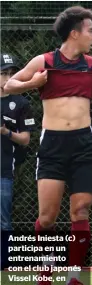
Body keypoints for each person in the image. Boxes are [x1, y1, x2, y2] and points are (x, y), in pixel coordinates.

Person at [4, 6, 92, 285]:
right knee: (47, 217)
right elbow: (12, 83)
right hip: (53, 145)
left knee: (80, 210)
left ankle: (74, 278)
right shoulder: (44, 61)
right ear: (74, 33)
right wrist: (33, 82)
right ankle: (46, 271)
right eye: (90, 30)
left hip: (83, 144)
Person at [1, 53, 35, 270]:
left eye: (13, 73)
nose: (8, 77)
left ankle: (4, 265)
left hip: (4, 170)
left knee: (3, 220)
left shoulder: (21, 103)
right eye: (4, 73)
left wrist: (5, 131)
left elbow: (25, 139)